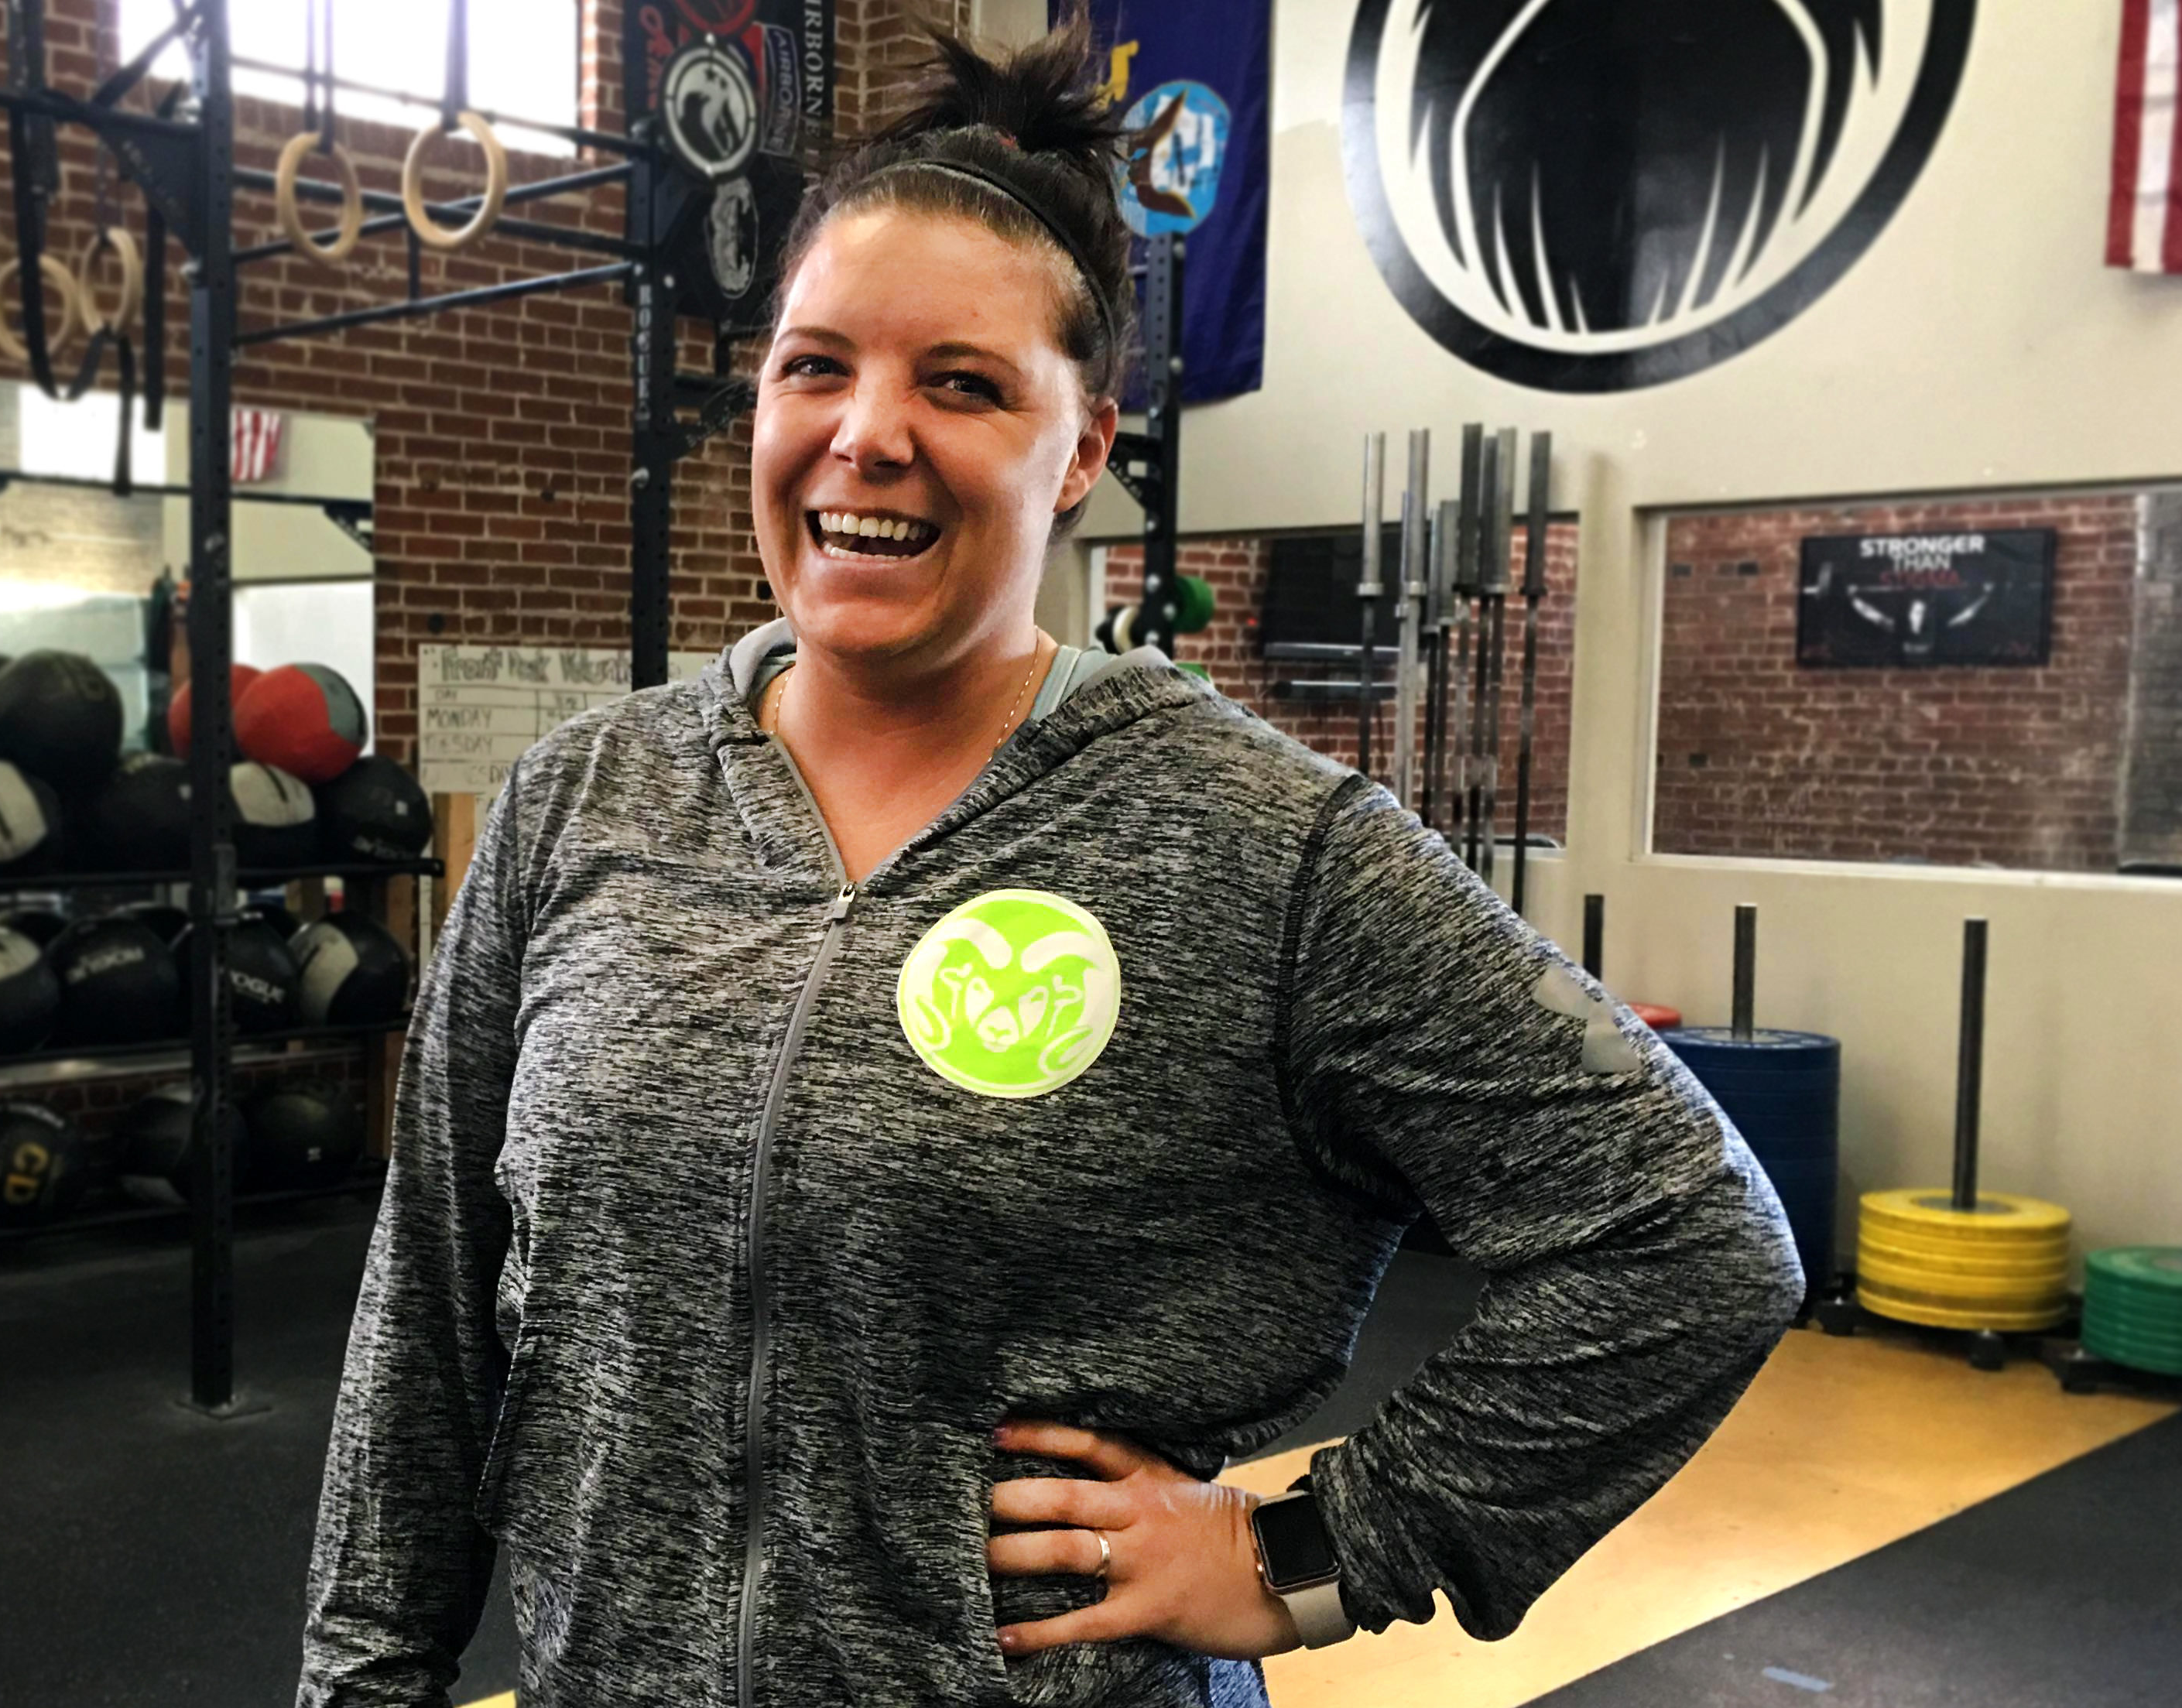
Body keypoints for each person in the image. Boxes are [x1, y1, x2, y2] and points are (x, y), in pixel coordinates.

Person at [300, 19, 1803, 1707]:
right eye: (815, 366)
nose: (867, 435)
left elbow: (1690, 1239)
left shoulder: (1266, 848)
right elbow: (427, 1302)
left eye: (962, 384)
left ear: (1079, 451)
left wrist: (1309, 1556)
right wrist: (364, 1681)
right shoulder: (590, 798)